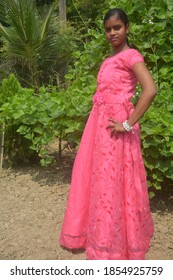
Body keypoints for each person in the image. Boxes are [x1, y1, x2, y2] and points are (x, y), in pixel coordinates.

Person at [59, 8, 157, 260]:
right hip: (99, 128)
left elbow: (150, 90)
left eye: (117, 27)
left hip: (117, 130)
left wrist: (127, 123)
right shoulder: (109, 58)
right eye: (108, 29)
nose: (112, 33)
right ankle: (96, 234)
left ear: (127, 28)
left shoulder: (131, 56)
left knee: (115, 183)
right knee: (99, 181)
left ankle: (114, 243)